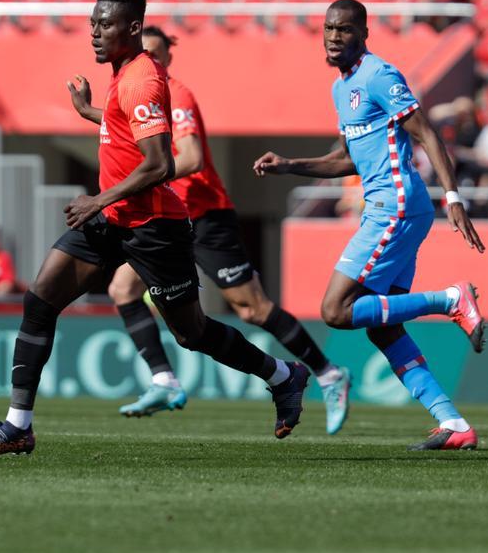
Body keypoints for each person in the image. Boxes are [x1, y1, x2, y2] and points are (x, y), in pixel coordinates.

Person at [0, 0, 310, 458]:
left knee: (193, 334)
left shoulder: (141, 78)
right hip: (112, 220)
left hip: (154, 228)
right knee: (40, 301)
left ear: (133, 28)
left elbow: (160, 163)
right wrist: (90, 113)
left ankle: (284, 375)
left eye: (105, 24)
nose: (94, 33)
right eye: (92, 23)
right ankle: (18, 425)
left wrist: (97, 199)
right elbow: (127, 128)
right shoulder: (124, 72)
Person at [68, 25, 352, 431]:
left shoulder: (175, 93)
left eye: (157, 52)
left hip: (203, 215)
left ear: (167, 57)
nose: (150, 57)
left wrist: (153, 173)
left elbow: (192, 156)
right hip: (163, 220)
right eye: (144, 50)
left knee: (251, 308)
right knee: (122, 289)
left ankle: (327, 372)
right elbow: (130, 127)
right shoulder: (132, 90)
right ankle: (164, 380)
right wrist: (89, 113)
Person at [253, 0, 486, 451]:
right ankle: (454, 424)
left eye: (344, 29)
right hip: (387, 208)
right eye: (328, 29)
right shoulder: (341, 89)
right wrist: (289, 165)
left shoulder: (379, 75)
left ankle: (451, 298)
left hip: (395, 206)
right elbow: (345, 159)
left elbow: (425, 133)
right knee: (382, 327)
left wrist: (452, 195)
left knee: (335, 311)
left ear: (363, 32)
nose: (334, 37)